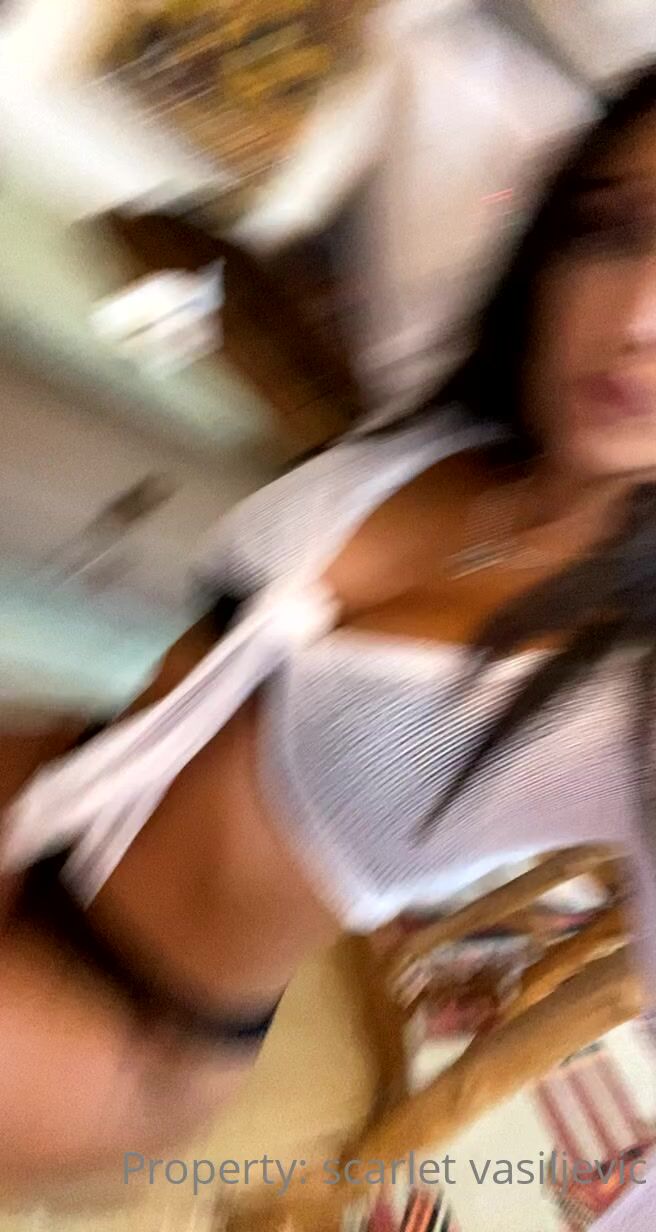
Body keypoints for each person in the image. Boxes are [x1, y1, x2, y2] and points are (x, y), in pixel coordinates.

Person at [1, 64, 656, 1210]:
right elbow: (418, 76)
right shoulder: (470, 417)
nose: (635, 318)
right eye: (613, 230)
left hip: (100, 1015)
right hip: (43, 774)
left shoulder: (626, 697)